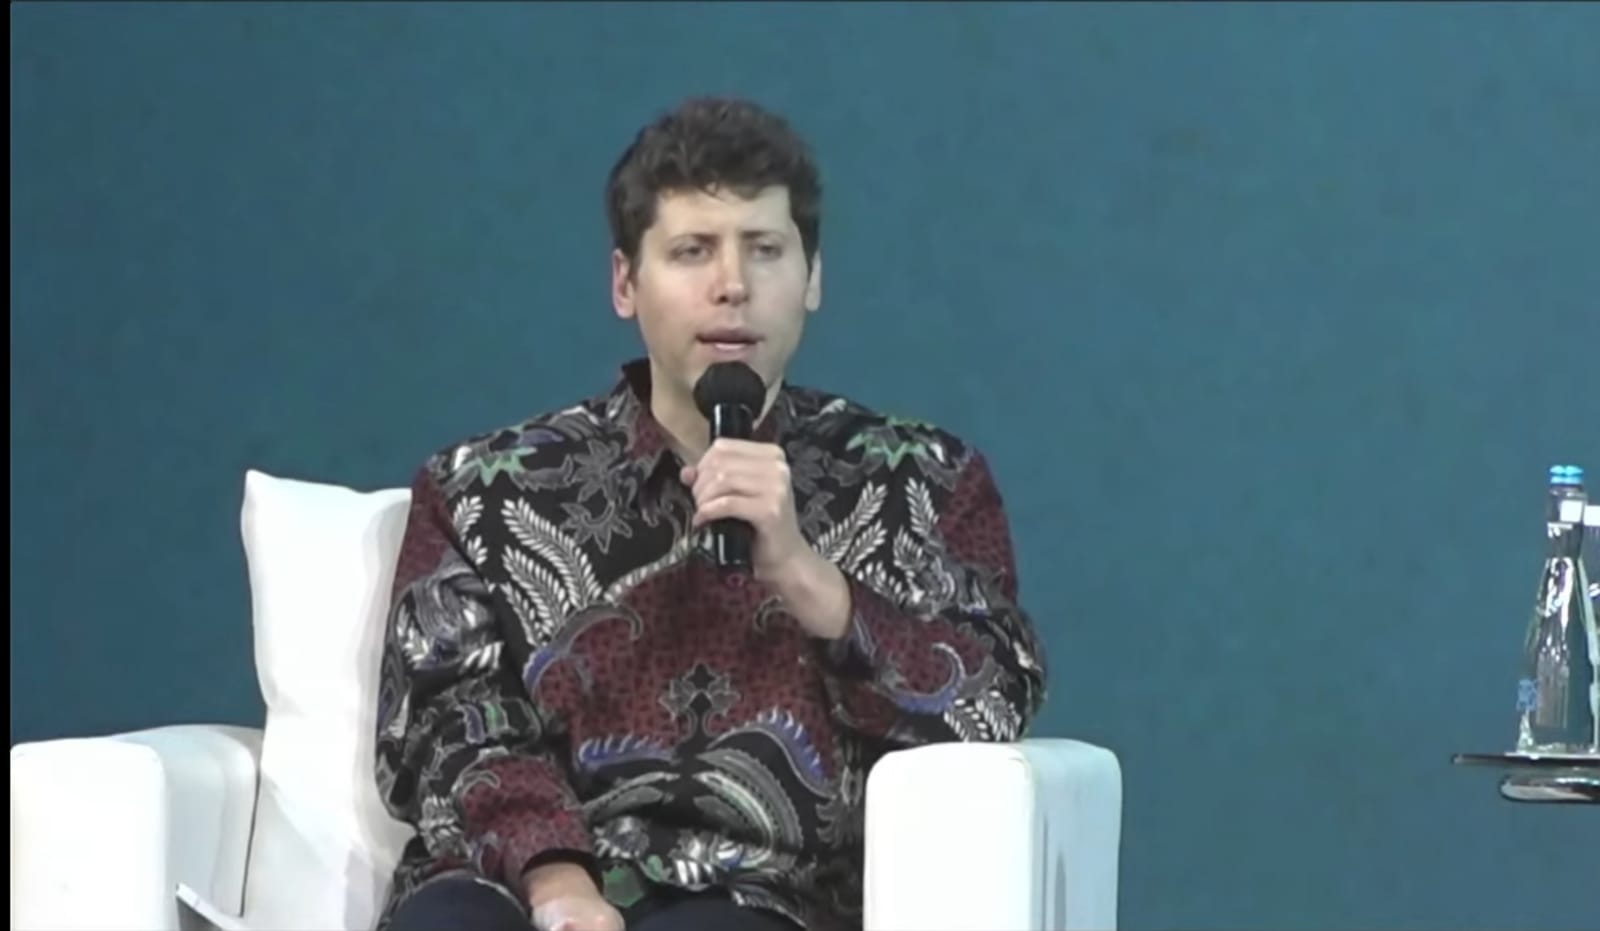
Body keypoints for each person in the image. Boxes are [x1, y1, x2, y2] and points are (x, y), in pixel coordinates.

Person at [373, 95, 1048, 931]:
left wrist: (809, 578)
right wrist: (559, 883)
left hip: (764, 898)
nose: (733, 286)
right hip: (522, 886)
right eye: (692, 251)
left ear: (813, 277)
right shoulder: (485, 489)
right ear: (626, 282)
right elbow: (442, 729)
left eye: (765, 250)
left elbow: (993, 701)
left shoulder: (921, 481)